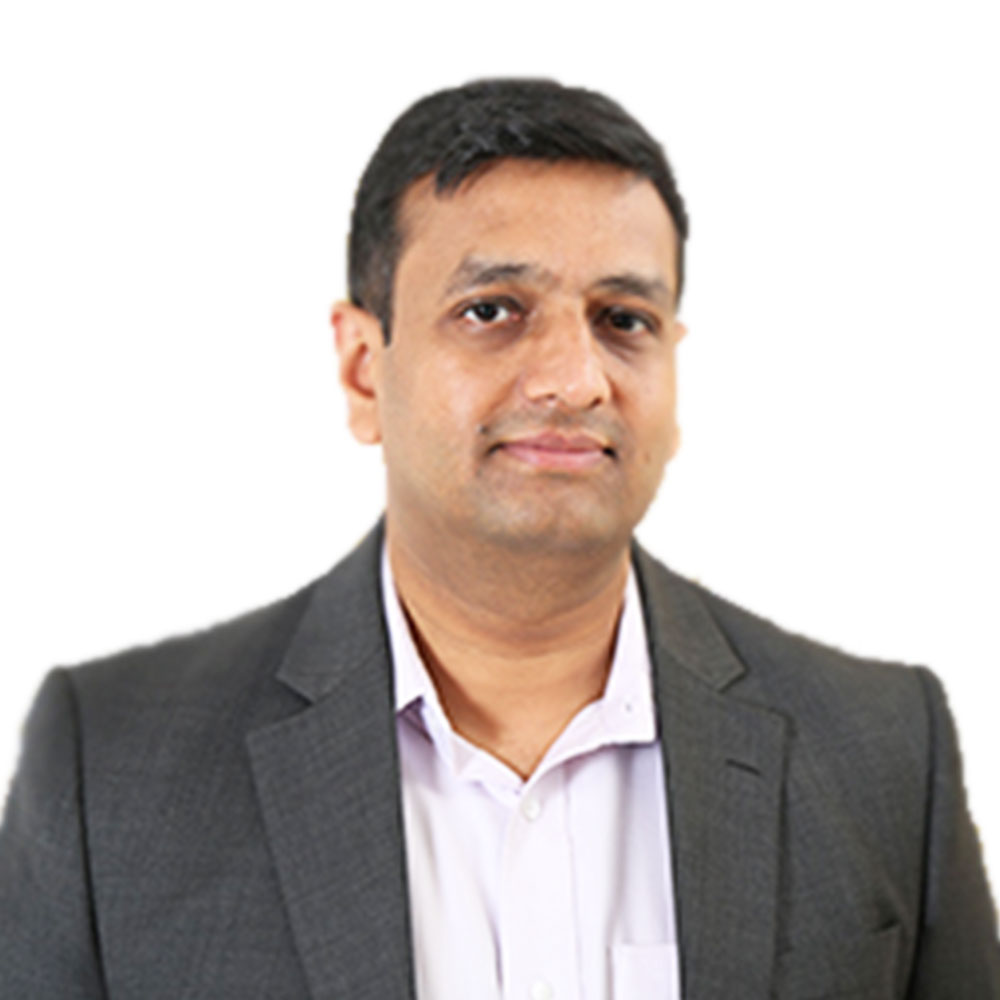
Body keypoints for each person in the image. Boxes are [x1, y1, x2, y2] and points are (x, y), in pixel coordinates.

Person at [1, 78, 997, 1000]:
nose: (574, 379)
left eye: (623, 319)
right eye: (491, 310)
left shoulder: (881, 750)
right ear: (362, 368)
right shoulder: (112, 766)